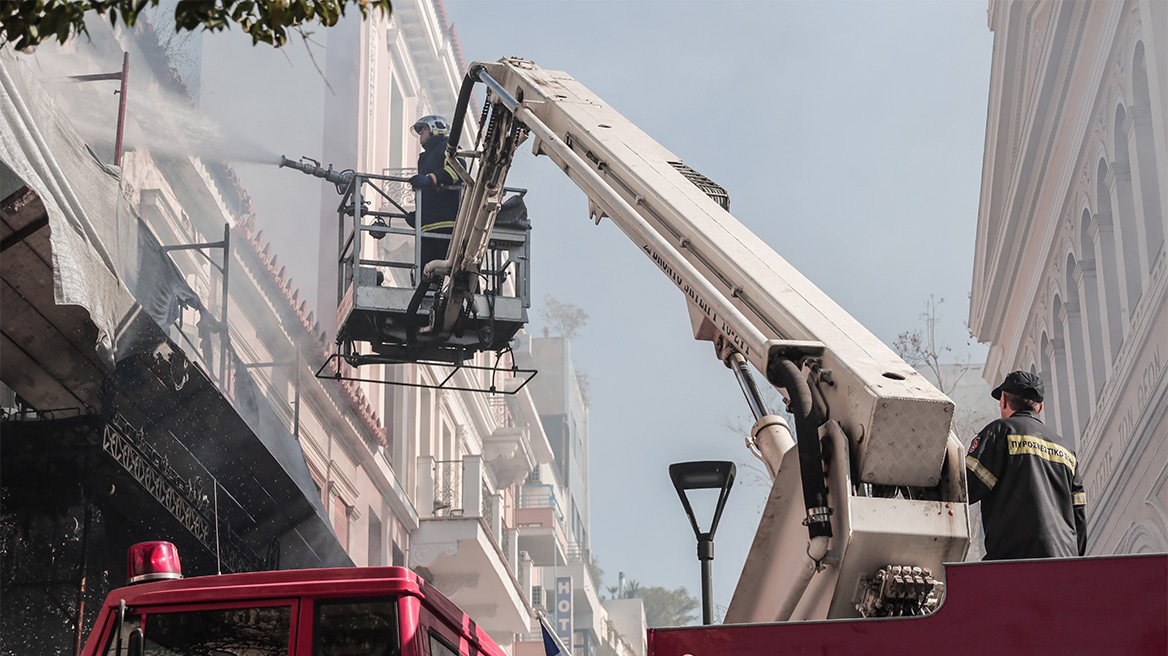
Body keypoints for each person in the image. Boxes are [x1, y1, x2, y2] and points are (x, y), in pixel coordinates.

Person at [965, 370, 1087, 560]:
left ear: (1004, 400)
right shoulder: (1066, 451)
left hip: (1013, 563)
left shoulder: (1000, 432)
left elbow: (966, 488)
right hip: (1063, 564)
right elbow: (1079, 517)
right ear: (1039, 408)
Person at [406, 115, 461, 283]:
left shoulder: (448, 148)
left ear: (436, 128)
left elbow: (457, 171)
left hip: (447, 225)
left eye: (423, 128)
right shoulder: (424, 158)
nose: (420, 132)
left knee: (454, 274)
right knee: (427, 275)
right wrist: (419, 215)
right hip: (428, 228)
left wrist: (431, 179)